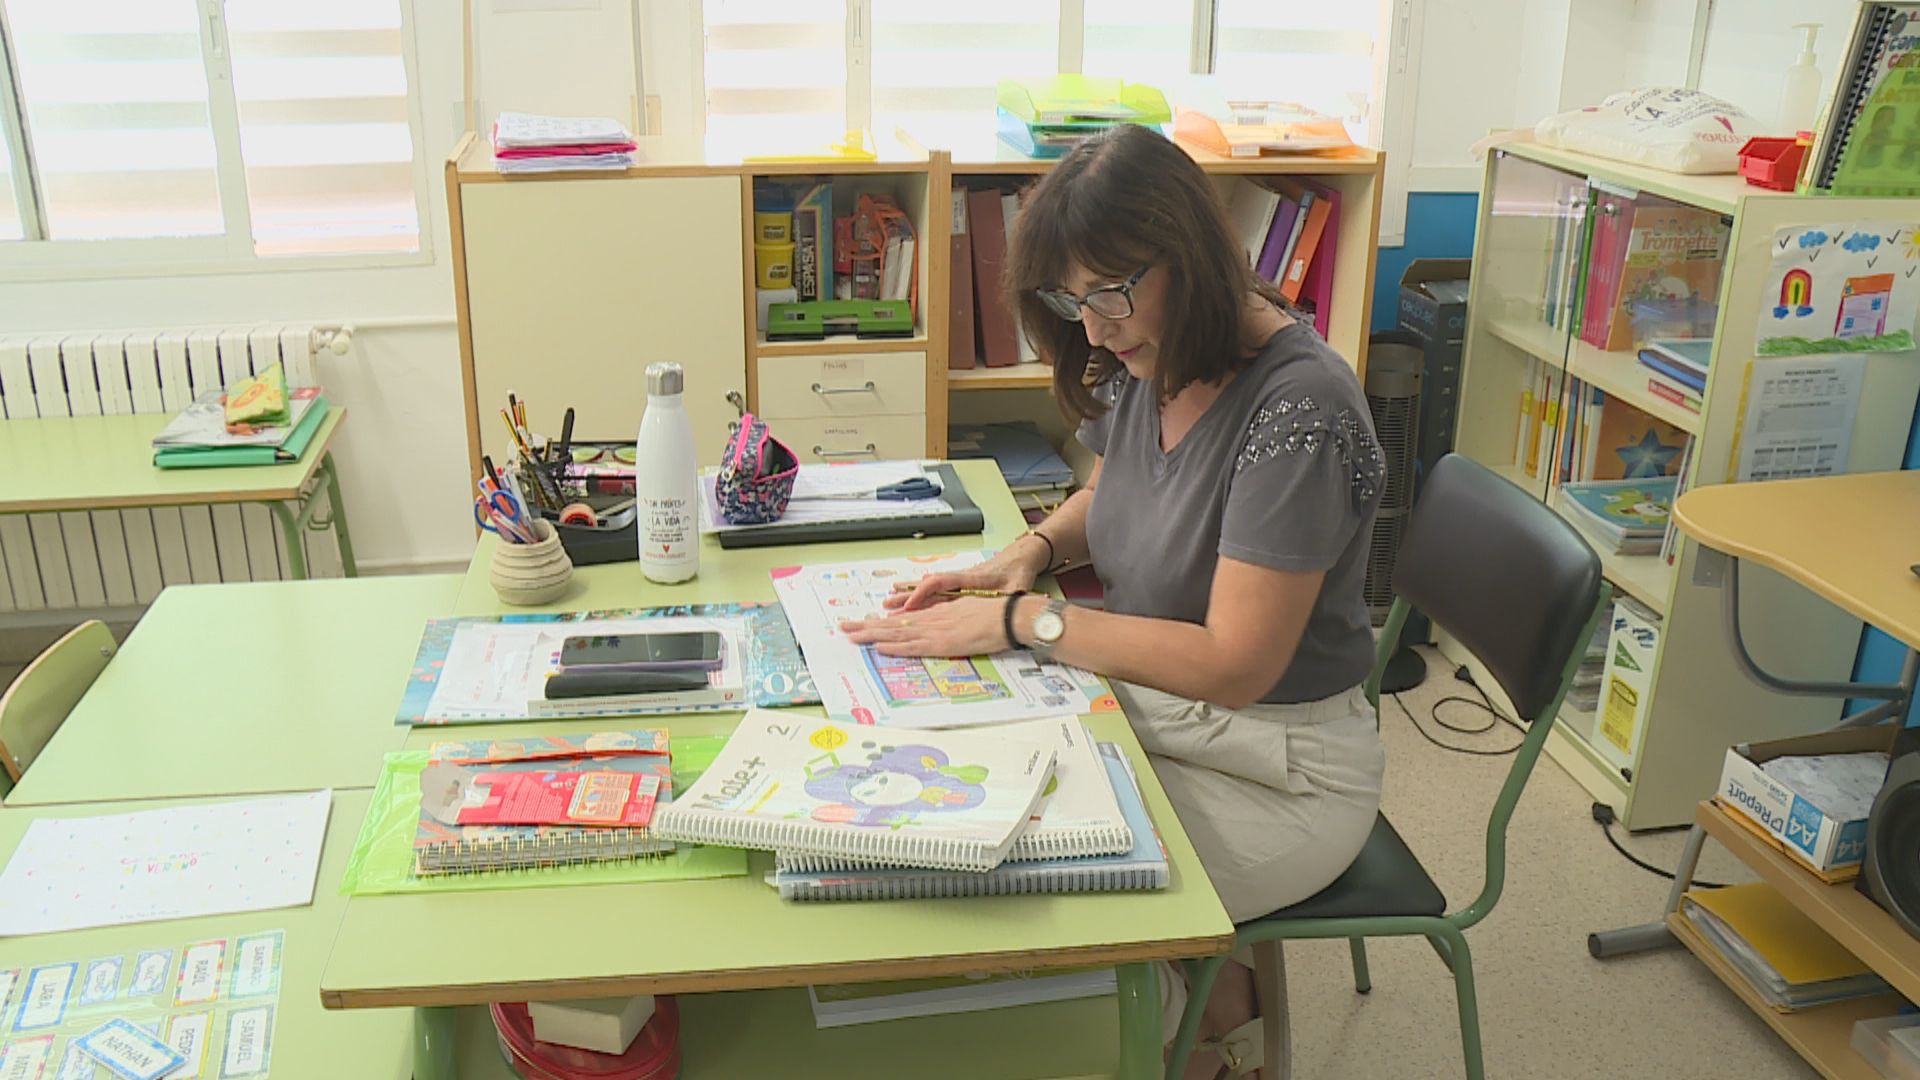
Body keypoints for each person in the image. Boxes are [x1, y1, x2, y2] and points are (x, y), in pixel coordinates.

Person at [840, 124, 1387, 1078]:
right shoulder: (1159, 349)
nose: (1092, 329)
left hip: (1282, 766)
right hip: (1169, 716)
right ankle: (1201, 990)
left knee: (1035, 889)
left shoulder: (1299, 410)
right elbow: (1114, 491)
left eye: (1108, 294)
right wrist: (1027, 553)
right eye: (1071, 300)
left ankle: (1206, 1025)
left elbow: (1235, 665)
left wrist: (1027, 622)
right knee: (962, 795)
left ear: (1188, 256)